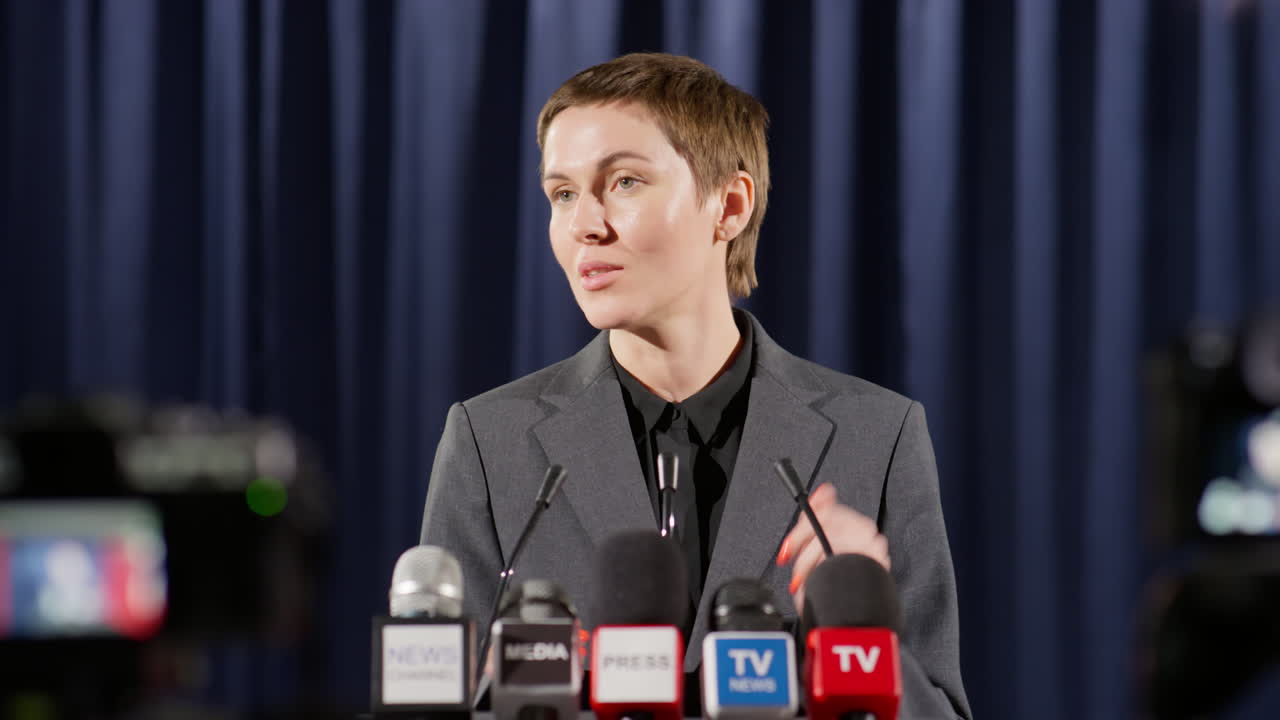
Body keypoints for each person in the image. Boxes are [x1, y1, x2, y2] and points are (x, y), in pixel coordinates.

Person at [421, 52, 971, 719]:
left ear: (730, 206)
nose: (584, 224)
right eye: (562, 194)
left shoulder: (877, 437)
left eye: (624, 182)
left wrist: (864, 632)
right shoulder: (489, 442)